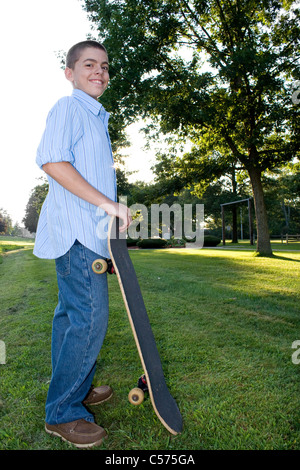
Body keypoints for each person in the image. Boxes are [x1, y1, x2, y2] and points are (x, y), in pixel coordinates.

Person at [33, 40, 132, 448]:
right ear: (70, 73)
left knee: (70, 320)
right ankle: (63, 413)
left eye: (105, 66)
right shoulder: (69, 107)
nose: (100, 72)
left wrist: (107, 231)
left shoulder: (95, 117)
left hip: (90, 236)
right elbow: (52, 161)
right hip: (75, 234)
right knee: (88, 322)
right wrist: (109, 204)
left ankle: (76, 388)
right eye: (89, 64)